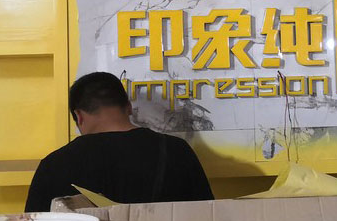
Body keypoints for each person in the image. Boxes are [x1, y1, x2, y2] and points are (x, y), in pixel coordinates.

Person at [25, 72, 214, 212]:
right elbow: (207, 216)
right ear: (128, 107)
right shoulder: (177, 151)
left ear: (79, 116)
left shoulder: (54, 164)